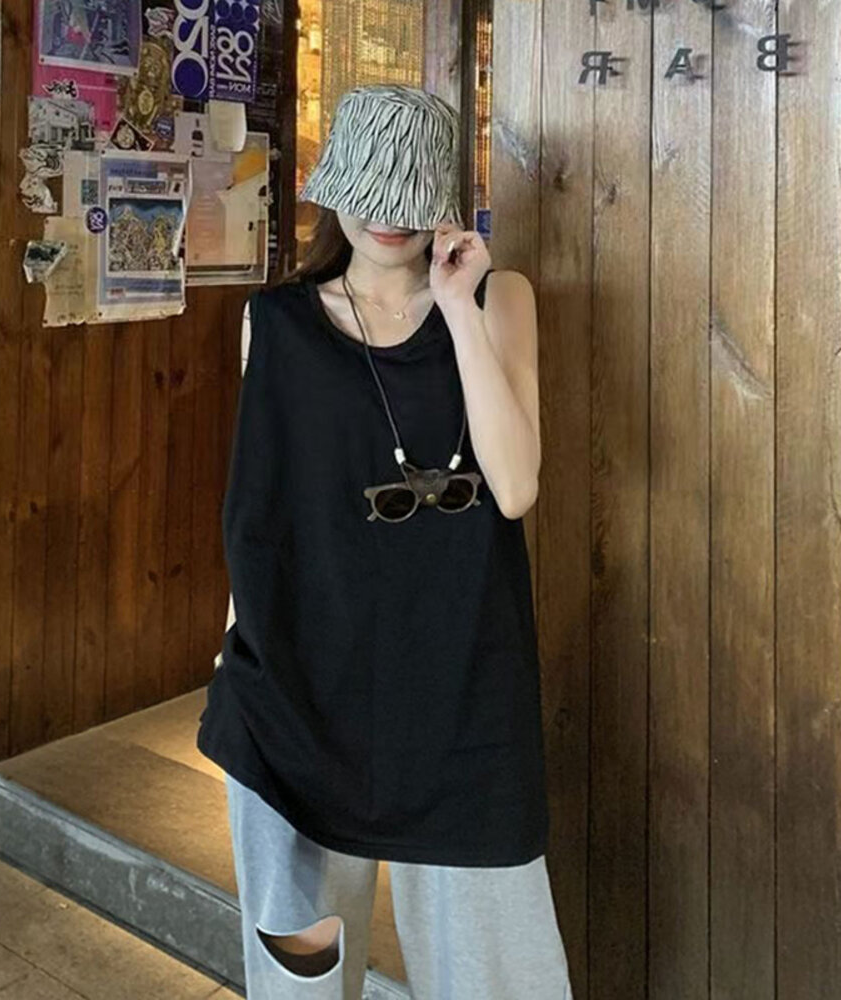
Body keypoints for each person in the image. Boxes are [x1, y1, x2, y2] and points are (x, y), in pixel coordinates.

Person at [197, 83, 573, 1000]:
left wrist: (456, 306)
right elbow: (265, 510)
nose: (387, 215)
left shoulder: (499, 300)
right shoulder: (274, 323)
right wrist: (235, 646)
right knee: (304, 979)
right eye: (367, 187)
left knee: (496, 980)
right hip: (296, 695)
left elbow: (515, 486)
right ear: (335, 186)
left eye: (408, 190)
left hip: (463, 699)